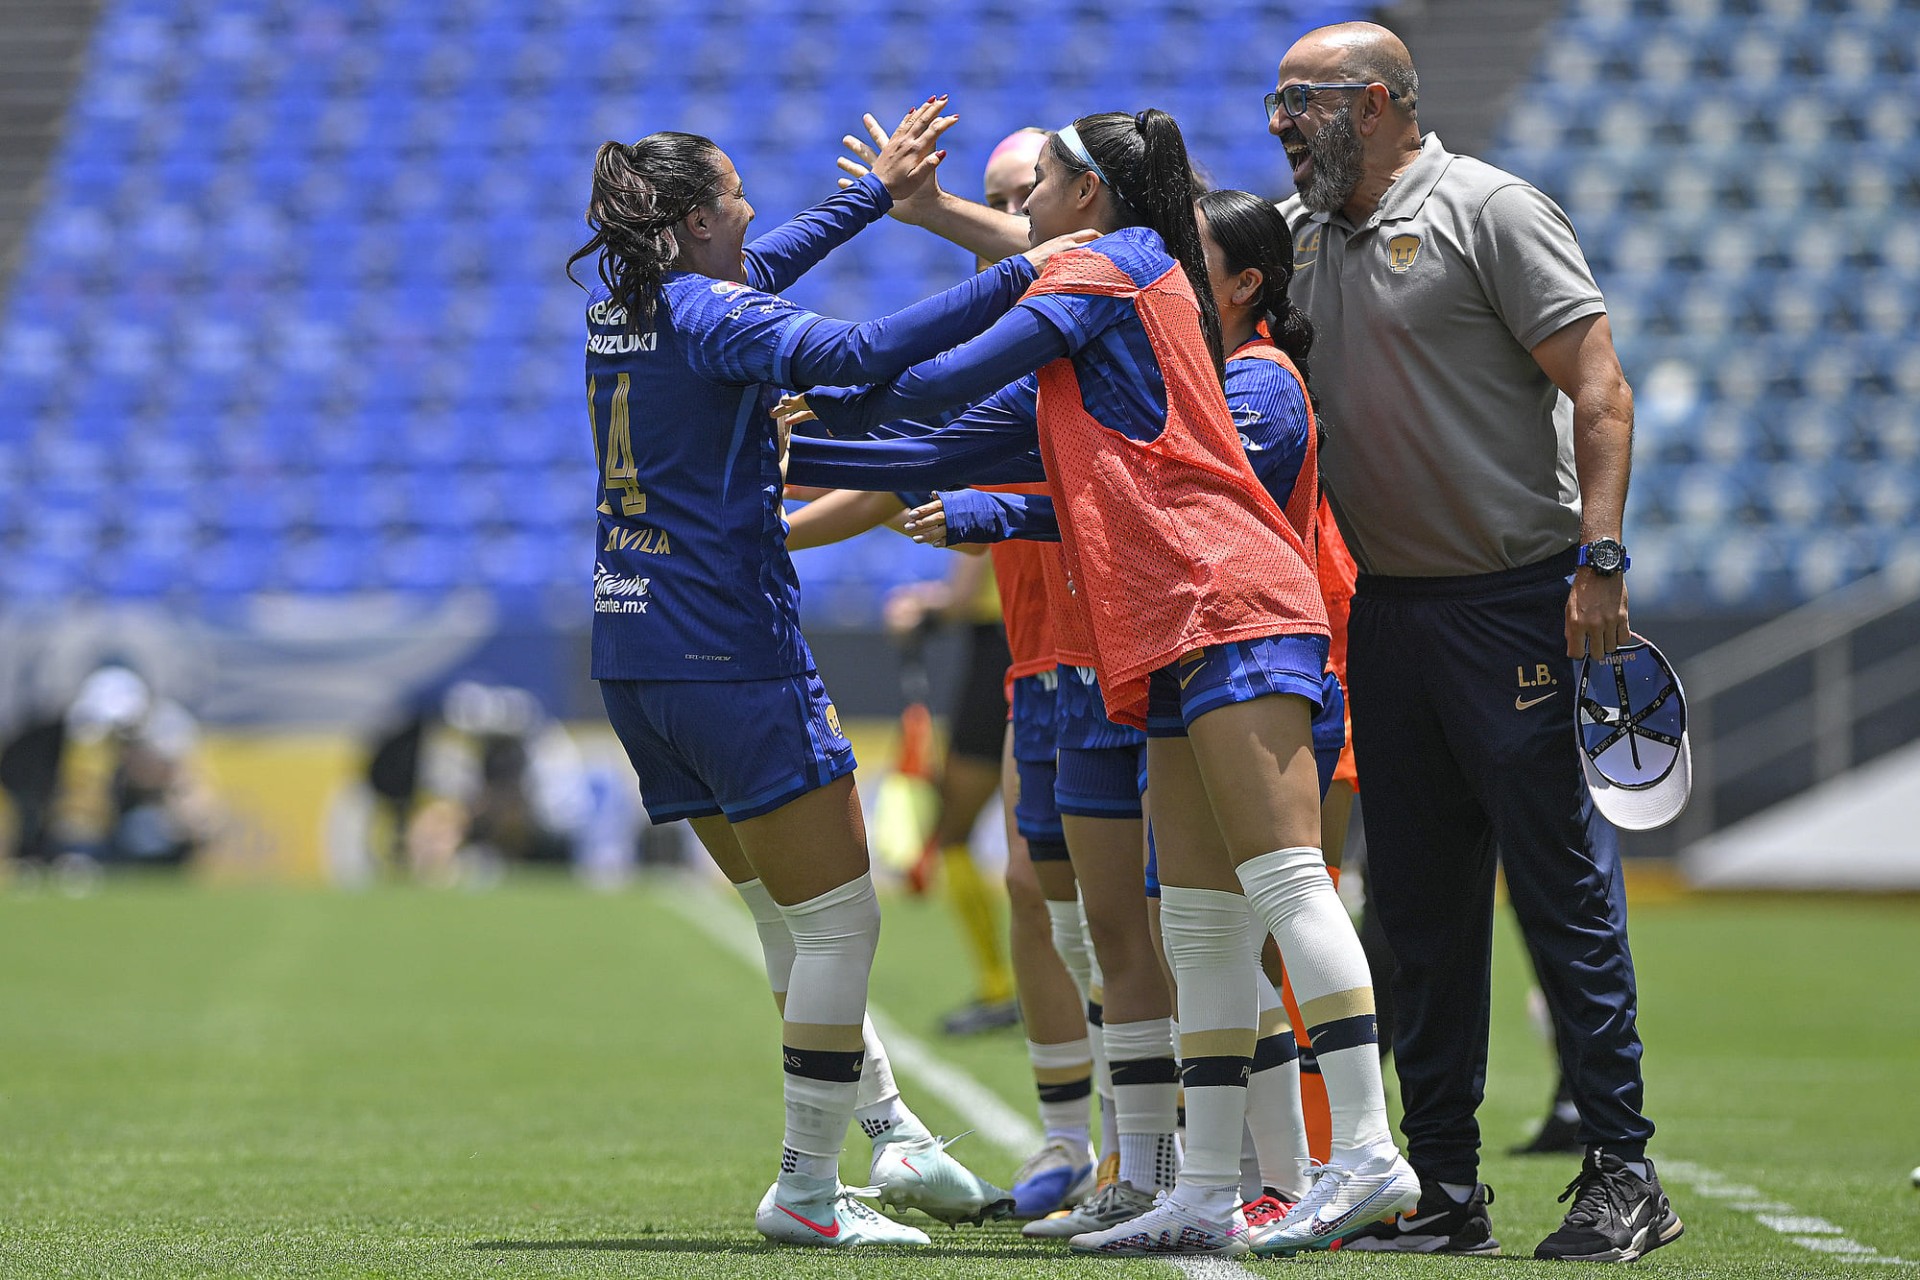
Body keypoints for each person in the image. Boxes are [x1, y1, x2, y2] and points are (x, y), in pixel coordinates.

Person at [780, 109, 1418, 1257]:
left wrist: (796, 396)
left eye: (1039, 182)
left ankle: (1368, 1152)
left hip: (1226, 600)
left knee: (1281, 883)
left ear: (1087, 194)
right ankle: (1206, 1187)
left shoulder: (1112, 268)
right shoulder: (1114, 287)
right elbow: (948, 441)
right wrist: (792, 452)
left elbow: (938, 383)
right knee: (1203, 923)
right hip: (1161, 625)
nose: (1022, 201)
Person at [569, 101, 1087, 1247]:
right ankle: (807, 1189)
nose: (753, 206)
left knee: (785, 917)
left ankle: (893, 1130)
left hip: (635, 653)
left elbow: (760, 268)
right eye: (736, 193)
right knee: (843, 922)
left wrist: (873, 196)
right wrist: (1027, 273)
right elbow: (853, 356)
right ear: (697, 220)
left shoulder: (628, 307)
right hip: (729, 651)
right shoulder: (714, 313)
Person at [1267, 22, 1682, 1263]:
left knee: (1560, 891)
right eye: (1278, 102)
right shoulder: (1299, 238)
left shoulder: (1491, 210)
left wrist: (1601, 562)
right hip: (1388, 609)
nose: (1282, 123)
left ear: (1378, 102)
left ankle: (1624, 1171)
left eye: (1303, 101)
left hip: (1519, 600)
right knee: (1417, 910)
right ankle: (1444, 1183)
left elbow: (1600, 386)